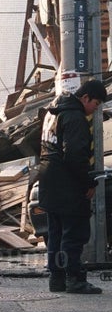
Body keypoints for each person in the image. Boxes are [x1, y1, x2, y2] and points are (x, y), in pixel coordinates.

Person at [39, 79, 107, 294]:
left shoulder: (52, 113)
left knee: (55, 234)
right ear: (85, 97)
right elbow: (75, 155)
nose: (94, 109)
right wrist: (88, 182)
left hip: (49, 180)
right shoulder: (75, 117)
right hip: (68, 184)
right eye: (95, 104)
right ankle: (74, 279)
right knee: (74, 233)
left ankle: (57, 279)